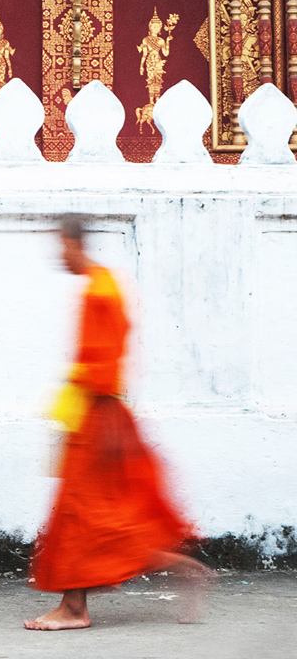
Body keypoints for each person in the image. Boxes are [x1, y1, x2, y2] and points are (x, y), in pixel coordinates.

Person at [25, 216, 213, 631]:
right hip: (94, 412)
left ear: (74, 243)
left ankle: (74, 609)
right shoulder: (102, 284)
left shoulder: (100, 291)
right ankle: (182, 569)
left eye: (60, 246)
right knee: (96, 515)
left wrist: (101, 422)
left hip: (98, 414)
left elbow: (104, 364)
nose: (58, 256)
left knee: (81, 514)